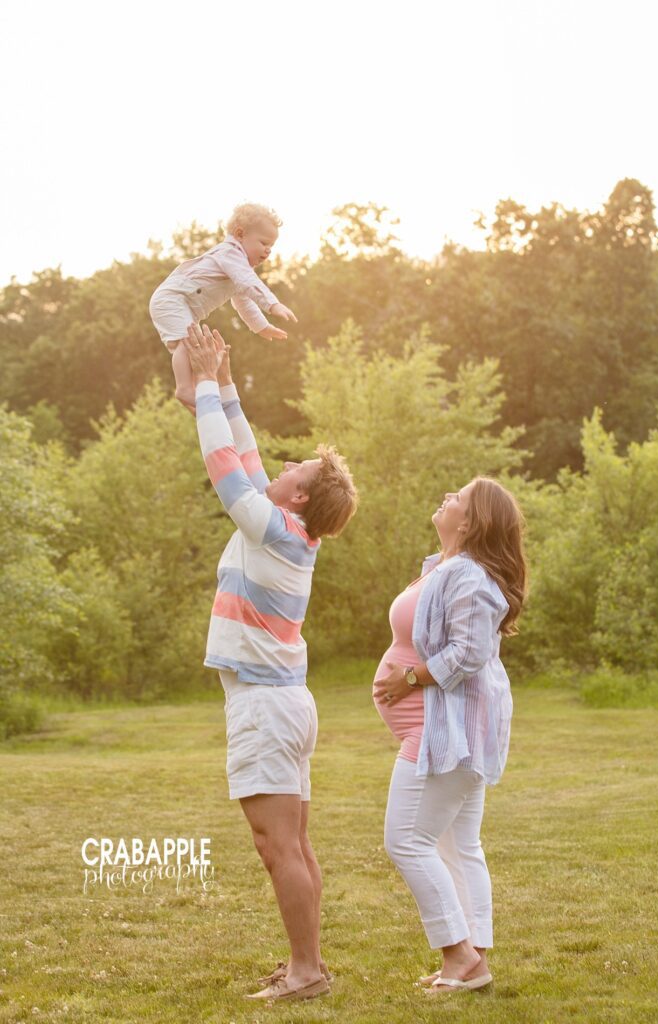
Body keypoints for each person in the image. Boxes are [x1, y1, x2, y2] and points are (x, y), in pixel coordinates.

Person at [184, 323, 358, 1003]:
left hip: (265, 704)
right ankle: (303, 965)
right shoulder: (287, 526)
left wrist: (201, 387)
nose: (283, 466)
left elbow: (225, 467)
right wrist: (223, 382)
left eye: (298, 470)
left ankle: (307, 973)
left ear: (300, 497)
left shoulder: (275, 528)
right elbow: (249, 455)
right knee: (293, 846)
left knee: (275, 846)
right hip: (278, 701)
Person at [373, 478, 527, 996]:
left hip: (448, 736)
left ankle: (459, 956)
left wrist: (410, 678)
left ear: (471, 521)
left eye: (458, 497)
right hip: (446, 733)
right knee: (459, 846)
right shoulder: (444, 568)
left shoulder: (469, 576)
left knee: (406, 841)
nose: (446, 497)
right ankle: (472, 956)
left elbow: (468, 652)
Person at [149, 203, 297, 411]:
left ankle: (197, 403)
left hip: (182, 305)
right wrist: (273, 304)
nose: (268, 250)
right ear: (240, 234)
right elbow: (248, 282)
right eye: (263, 242)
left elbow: (244, 301)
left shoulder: (237, 269)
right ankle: (184, 389)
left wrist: (261, 326)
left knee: (196, 348)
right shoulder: (230, 253)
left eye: (271, 246)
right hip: (172, 299)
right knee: (189, 343)